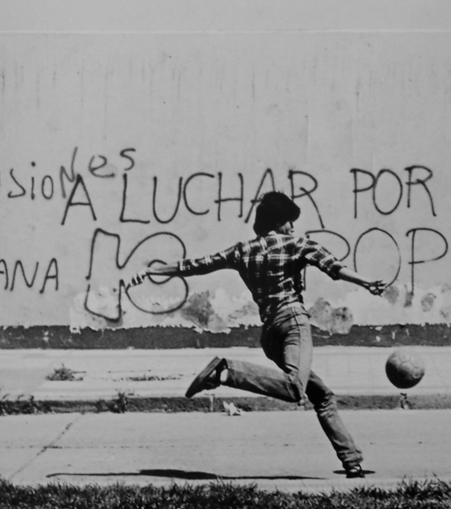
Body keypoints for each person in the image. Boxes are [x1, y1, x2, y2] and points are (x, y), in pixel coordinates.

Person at [130, 191, 386, 478]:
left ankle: (351, 461)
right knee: (294, 389)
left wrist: (152, 270)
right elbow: (335, 269)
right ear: (280, 221)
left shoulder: (242, 250)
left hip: (270, 335)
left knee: (322, 394)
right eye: (290, 221)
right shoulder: (297, 243)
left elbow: (197, 265)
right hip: (292, 324)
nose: (293, 227)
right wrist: (367, 283)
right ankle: (226, 373)